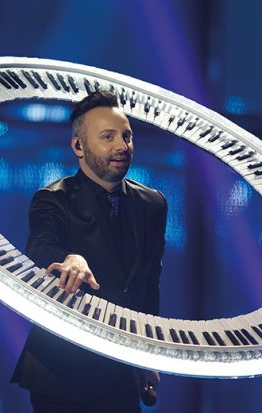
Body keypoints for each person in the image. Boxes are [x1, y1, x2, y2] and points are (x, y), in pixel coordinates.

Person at [11, 90, 167, 413]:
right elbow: (41, 247)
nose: (122, 146)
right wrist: (68, 259)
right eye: (108, 137)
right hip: (62, 375)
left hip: (120, 373)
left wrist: (147, 357)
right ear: (78, 146)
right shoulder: (52, 199)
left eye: (127, 136)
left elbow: (149, 286)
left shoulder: (153, 204)